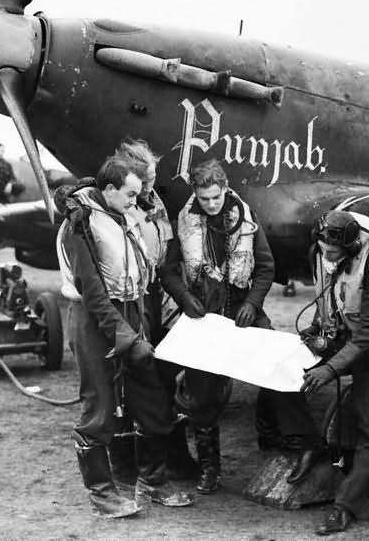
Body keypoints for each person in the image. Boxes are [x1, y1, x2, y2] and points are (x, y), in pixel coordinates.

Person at [159, 158, 319, 494]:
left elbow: (266, 267)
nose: (211, 204)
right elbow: (168, 271)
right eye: (204, 199)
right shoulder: (183, 222)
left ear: (225, 189)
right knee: (201, 394)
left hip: (243, 311)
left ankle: (292, 443)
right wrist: (184, 298)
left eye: (216, 197)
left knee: (281, 367)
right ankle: (210, 469)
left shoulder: (246, 218)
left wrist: (253, 303)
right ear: (196, 193)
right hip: (205, 317)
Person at [55, 154, 193, 518]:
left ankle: (152, 481)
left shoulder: (122, 214)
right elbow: (92, 290)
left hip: (131, 314)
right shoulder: (79, 223)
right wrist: (125, 337)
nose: (138, 199)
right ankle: (102, 494)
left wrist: (140, 327)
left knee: (152, 398)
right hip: (95, 319)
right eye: (131, 193)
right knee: (100, 407)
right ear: (110, 189)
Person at [299, 210, 369, 536]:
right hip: (345, 334)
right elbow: (330, 293)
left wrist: (330, 368)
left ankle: (345, 507)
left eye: (333, 253)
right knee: (289, 379)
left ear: (350, 248)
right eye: (322, 249)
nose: (326, 256)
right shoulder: (320, 251)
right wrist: (318, 329)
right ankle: (315, 453)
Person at [106, 139, 200, 487]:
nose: (148, 188)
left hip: (156, 295)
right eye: (143, 182)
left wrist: (182, 295)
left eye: (152, 180)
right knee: (131, 381)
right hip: (130, 300)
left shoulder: (154, 201)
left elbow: (167, 254)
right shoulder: (116, 207)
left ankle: (169, 460)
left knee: (162, 376)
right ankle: (131, 468)